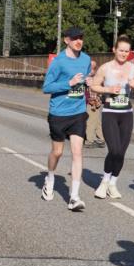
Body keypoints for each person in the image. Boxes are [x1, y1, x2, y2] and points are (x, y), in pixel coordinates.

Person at [40, 26, 92, 211]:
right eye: (75, 38)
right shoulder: (58, 62)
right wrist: (68, 83)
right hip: (59, 113)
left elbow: (86, 80)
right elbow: (46, 87)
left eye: (81, 38)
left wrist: (88, 84)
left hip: (78, 112)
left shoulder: (86, 59)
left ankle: (74, 197)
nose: (79, 41)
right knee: (58, 152)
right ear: (66, 40)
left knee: (77, 152)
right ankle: (50, 177)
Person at [90, 35, 134, 200]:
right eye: (121, 50)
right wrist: (108, 89)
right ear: (114, 50)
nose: (123, 54)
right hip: (110, 112)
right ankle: (104, 181)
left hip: (126, 114)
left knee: (121, 152)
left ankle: (113, 184)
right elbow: (94, 85)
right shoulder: (105, 68)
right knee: (113, 150)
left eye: (127, 51)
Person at [84, 59, 105, 147]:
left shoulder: (92, 79)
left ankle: (90, 141)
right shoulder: (96, 78)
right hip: (95, 102)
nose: (90, 70)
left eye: (92, 68)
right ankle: (100, 139)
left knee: (90, 122)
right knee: (96, 121)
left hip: (92, 103)